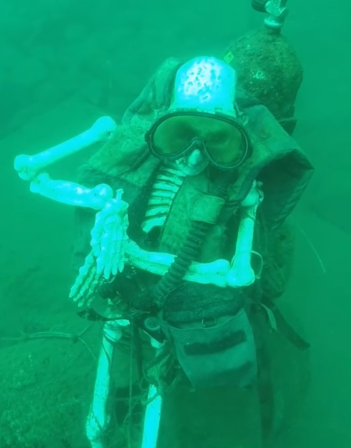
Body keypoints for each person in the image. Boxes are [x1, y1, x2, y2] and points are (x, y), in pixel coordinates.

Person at [71, 45, 313, 395]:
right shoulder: (137, 163)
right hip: (141, 288)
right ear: (163, 124)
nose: (195, 157)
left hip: (192, 296)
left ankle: (216, 377)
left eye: (216, 139)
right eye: (181, 134)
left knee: (223, 352)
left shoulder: (234, 185)